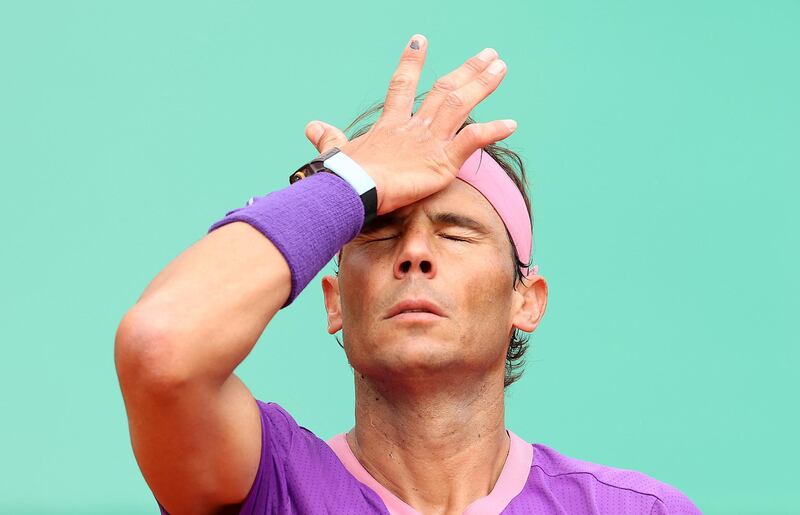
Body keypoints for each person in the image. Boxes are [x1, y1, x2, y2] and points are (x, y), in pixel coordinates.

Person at [114, 34, 701, 515]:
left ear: (527, 299)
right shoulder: (272, 487)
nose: (415, 253)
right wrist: (350, 186)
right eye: (381, 232)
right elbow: (161, 346)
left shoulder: (634, 510)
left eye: (454, 231)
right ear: (335, 300)